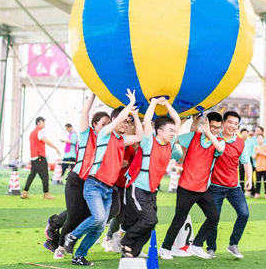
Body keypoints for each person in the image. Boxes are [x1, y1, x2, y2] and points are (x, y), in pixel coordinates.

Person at [64, 89, 143, 266]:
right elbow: (117, 120)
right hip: (94, 185)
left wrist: (135, 116)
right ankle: (72, 235)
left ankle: (79, 255)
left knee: (99, 227)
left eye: (127, 122)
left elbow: (139, 136)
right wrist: (129, 106)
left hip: (108, 188)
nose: (125, 124)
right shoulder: (104, 134)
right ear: (115, 121)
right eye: (124, 121)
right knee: (99, 219)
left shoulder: (122, 141)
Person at [119, 97, 181, 258]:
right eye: (170, 130)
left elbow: (176, 120)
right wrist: (153, 102)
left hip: (151, 191)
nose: (173, 133)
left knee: (150, 225)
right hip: (137, 187)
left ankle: (131, 252)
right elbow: (147, 121)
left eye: (173, 131)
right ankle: (125, 241)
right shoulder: (149, 141)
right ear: (159, 131)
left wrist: (166, 103)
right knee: (149, 220)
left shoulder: (169, 144)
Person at [159, 112, 225, 260]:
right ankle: (165, 248)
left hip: (202, 189)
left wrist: (208, 132)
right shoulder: (193, 137)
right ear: (206, 122)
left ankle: (196, 245)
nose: (215, 129)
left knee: (214, 216)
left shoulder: (218, 142)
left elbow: (220, 149)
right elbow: (173, 139)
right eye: (212, 126)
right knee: (179, 219)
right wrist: (183, 123)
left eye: (218, 127)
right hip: (186, 188)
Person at [51, 94, 111, 259]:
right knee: (74, 216)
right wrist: (93, 94)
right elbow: (85, 112)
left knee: (88, 216)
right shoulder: (86, 133)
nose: (106, 127)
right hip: (76, 180)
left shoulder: (108, 138)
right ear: (94, 125)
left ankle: (65, 237)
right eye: (103, 124)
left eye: (108, 124)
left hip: (93, 183)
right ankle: (60, 247)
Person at [206, 111, 252, 259]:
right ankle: (211, 248)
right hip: (215, 186)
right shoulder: (214, 138)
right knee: (214, 218)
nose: (232, 126)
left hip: (234, 187)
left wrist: (249, 178)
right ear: (224, 123)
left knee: (244, 213)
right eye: (230, 122)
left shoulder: (240, 142)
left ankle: (233, 244)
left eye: (236, 124)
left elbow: (246, 162)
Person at [22, 117, 61, 200]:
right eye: (43, 122)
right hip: (40, 157)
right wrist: (56, 148)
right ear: (38, 123)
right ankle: (46, 193)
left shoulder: (32, 133)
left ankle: (24, 192)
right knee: (45, 176)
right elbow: (46, 141)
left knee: (31, 175)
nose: (44, 123)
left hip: (33, 158)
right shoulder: (39, 132)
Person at [253, 134, 266, 199]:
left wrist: (261, 152)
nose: (259, 140)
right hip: (258, 166)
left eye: (261, 138)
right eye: (258, 138)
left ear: (263, 139)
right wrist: (257, 153)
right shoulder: (255, 147)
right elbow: (253, 157)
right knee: (258, 181)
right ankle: (257, 193)